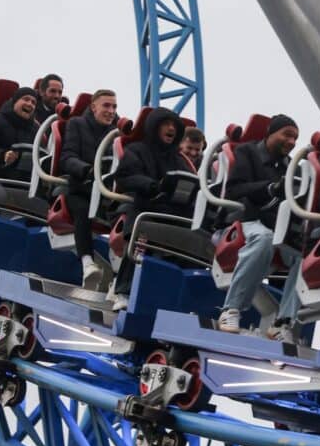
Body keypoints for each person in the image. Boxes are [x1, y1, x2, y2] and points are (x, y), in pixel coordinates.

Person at [215, 115, 301, 342]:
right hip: (241, 223)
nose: (291, 141)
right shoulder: (246, 152)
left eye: (295, 138)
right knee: (264, 238)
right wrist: (270, 188)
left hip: (272, 229)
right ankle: (231, 309)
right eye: (287, 135)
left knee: (303, 258)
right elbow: (234, 189)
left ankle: (282, 323)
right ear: (271, 133)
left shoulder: (289, 167)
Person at [108, 108, 195, 308]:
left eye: (174, 125)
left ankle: (181, 299)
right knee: (143, 234)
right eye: (166, 124)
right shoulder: (137, 150)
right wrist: (152, 186)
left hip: (172, 212)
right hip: (143, 206)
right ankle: (123, 291)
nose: (171, 128)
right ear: (154, 126)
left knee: (193, 237)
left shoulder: (179, 160)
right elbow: (125, 176)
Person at [59, 89, 119, 288]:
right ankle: (87, 262)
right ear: (93, 107)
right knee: (83, 208)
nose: (111, 111)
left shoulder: (116, 134)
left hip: (107, 192)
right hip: (80, 187)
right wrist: (87, 170)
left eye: (114, 107)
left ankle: (118, 279)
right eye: (106, 106)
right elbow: (67, 158)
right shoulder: (77, 124)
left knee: (125, 220)